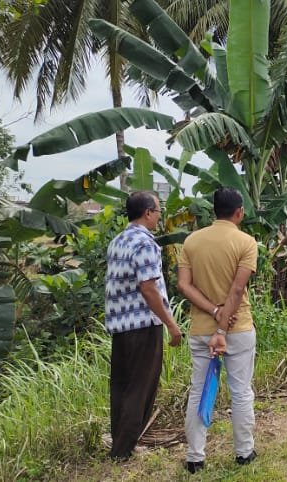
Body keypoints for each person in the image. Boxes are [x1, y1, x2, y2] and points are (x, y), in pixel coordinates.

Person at [178, 188, 259, 473]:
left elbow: (184, 286)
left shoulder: (191, 241)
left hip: (200, 328)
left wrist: (212, 312)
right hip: (237, 330)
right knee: (240, 392)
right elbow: (237, 290)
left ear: (214, 211)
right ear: (239, 212)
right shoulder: (246, 242)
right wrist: (222, 327)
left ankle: (195, 457)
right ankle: (244, 452)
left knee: (199, 390)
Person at [104, 191, 183, 460]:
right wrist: (171, 324)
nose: (160, 217)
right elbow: (149, 288)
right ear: (148, 213)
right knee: (142, 387)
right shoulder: (145, 244)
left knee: (122, 386)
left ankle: (120, 443)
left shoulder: (118, 241)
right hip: (143, 325)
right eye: (158, 211)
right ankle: (123, 451)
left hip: (120, 325)